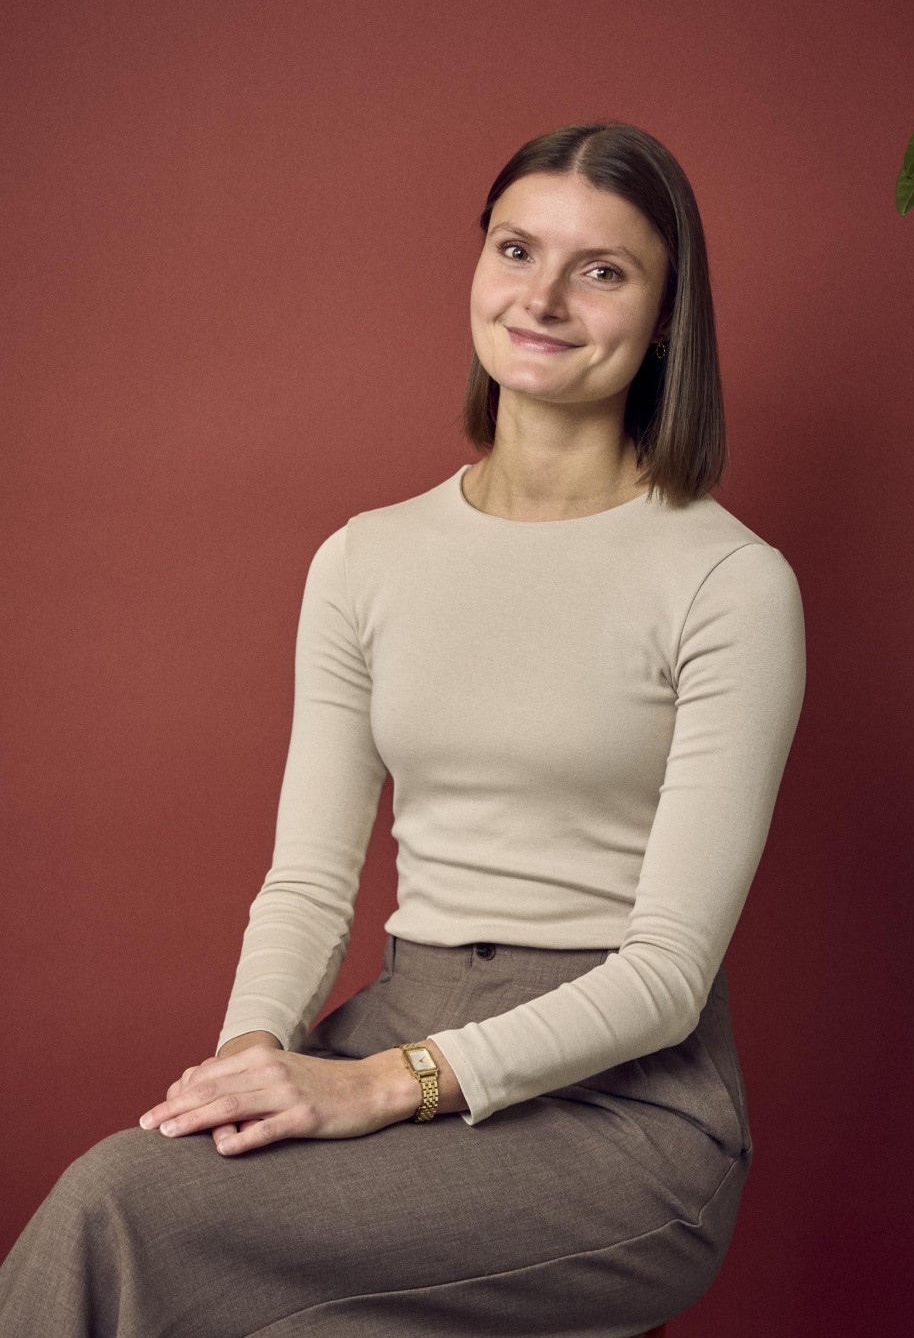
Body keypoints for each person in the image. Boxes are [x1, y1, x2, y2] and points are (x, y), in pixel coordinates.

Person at [0, 121, 806, 1336]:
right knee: (183, 1209)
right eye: (515, 248)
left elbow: (665, 978)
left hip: (621, 1108)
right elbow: (311, 881)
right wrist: (255, 1056)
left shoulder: (728, 582)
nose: (541, 296)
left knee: (122, 1204)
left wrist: (381, 1085)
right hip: (397, 1012)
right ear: (477, 264)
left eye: (602, 268)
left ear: (665, 314)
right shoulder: (365, 558)